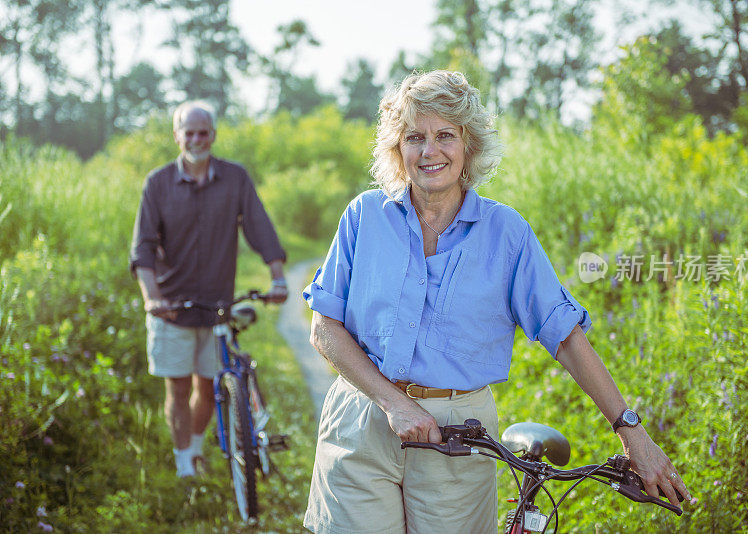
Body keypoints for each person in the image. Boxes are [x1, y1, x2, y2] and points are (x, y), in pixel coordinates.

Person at [302, 71, 692, 533]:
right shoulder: (363, 216)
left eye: (445, 135)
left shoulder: (506, 233)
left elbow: (563, 336)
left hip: (458, 438)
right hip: (362, 420)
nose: (430, 151)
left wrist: (632, 432)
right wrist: (392, 403)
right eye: (414, 138)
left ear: (468, 145)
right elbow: (325, 327)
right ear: (397, 149)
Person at [129, 100, 287, 479]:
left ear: (213, 135)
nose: (196, 139)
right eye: (189, 132)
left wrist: (278, 276)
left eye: (203, 132)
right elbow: (143, 248)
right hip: (172, 308)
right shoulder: (158, 183)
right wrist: (152, 297)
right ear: (177, 136)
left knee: (208, 386)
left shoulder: (234, 179)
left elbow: (259, 228)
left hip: (216, 307)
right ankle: (184, 465)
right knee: (178, 389)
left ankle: (196, 449)